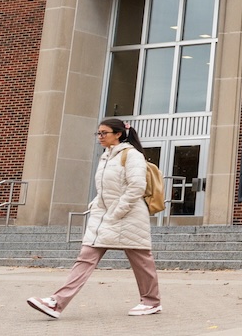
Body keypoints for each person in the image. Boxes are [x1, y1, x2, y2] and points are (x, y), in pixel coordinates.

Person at [26, 118, 162, 319]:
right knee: (85, 257)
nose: (100, 137)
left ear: (118, 134)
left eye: (104, 133)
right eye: (98, 133)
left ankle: (151, 302)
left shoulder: (132, 155)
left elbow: (136, 188)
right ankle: (56, 302)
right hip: (104, 216)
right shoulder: (106, 156)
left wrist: (116, 212)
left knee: (142, 261)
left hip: (129, 216)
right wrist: (96, 204)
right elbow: (106, 188)